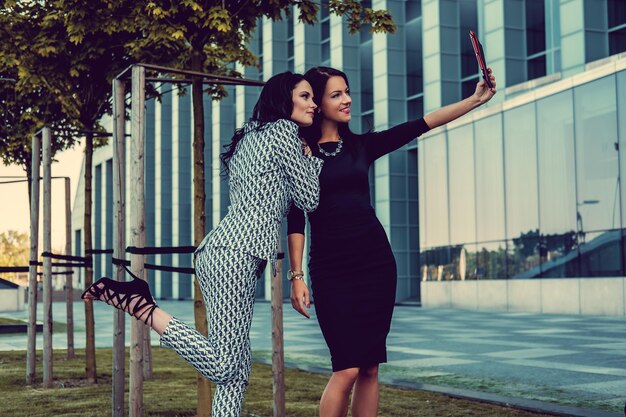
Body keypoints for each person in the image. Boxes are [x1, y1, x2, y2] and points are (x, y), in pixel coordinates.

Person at [82, 71, 323, 417]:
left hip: (225, 253)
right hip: (235, 256)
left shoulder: (251, 137)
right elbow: (310, 199)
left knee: (236, 375)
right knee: (226, 366)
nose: (313, 104)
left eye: (314, 97)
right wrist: (310, 155)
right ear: (284, 100)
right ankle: (143, 306)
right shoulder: (285, 132)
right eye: (305, 96)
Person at [287, 66, 496, 417]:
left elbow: (422, 123)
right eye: (336, 94)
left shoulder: (361, 145)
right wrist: (296, 276)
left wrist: (475, 100)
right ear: (318, 104)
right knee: (346, 368)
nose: (347, 99)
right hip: (330, 270)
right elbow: (295, 218)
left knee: (369, 366)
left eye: (347, 91)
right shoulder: (297, 153)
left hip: (375, 264)